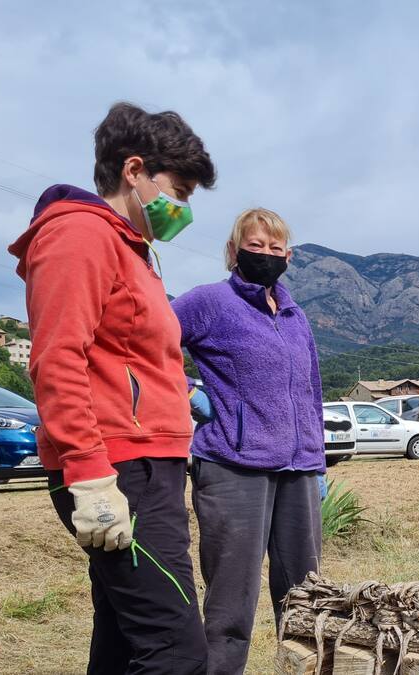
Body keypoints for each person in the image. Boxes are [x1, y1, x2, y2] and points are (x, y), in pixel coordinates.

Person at [8, 102, 215, 673]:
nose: (184, 208)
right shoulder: (80, 235)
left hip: (150, 462)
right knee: (176, 651)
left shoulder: (131, 248)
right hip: (119, 467)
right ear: (135, 171)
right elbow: (56, 361)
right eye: (181, 189)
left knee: (126, 640)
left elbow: (127, 356)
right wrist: (91, 475)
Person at [172, 208, 325, 674]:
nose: (266, 255)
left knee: (305, 598)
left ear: (289, 256)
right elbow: (144, 344)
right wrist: (189, 392)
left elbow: (311, 387)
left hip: (298, 469)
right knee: (231, 601)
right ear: (233, 252)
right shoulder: (208, 303)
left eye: (275, 248)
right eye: (255, 246)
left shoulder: (295, 313)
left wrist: (317, 460)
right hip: (233, 467)